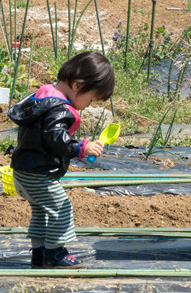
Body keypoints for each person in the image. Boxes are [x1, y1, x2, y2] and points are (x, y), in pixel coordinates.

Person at [7, 51, 115, 269]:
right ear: (77, 86)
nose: (88, 106)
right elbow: (56, 137)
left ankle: (39, 254)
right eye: (91, 99)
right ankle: (54, 254)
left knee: (41, 211)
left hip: (24, 169)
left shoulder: (43, 96)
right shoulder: (59, 109)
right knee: (62, 208)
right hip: (38, 173)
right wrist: (81, 147)